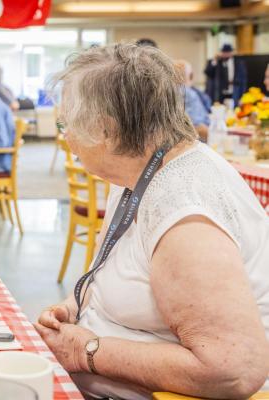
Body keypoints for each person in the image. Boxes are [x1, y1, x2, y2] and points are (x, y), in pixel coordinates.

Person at [35, 44, 269, 399]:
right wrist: (74, 304)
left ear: (106, 130)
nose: (64, 136)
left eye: (67, 123)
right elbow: (120, 268)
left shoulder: (186, 211)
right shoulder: (138, 168)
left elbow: (234, 370)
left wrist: (85, 351)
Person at [175, 59, 211, 142]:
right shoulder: (188, 94)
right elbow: (198, 128)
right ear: (190, 76)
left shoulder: (167, 94)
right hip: (199, 144)